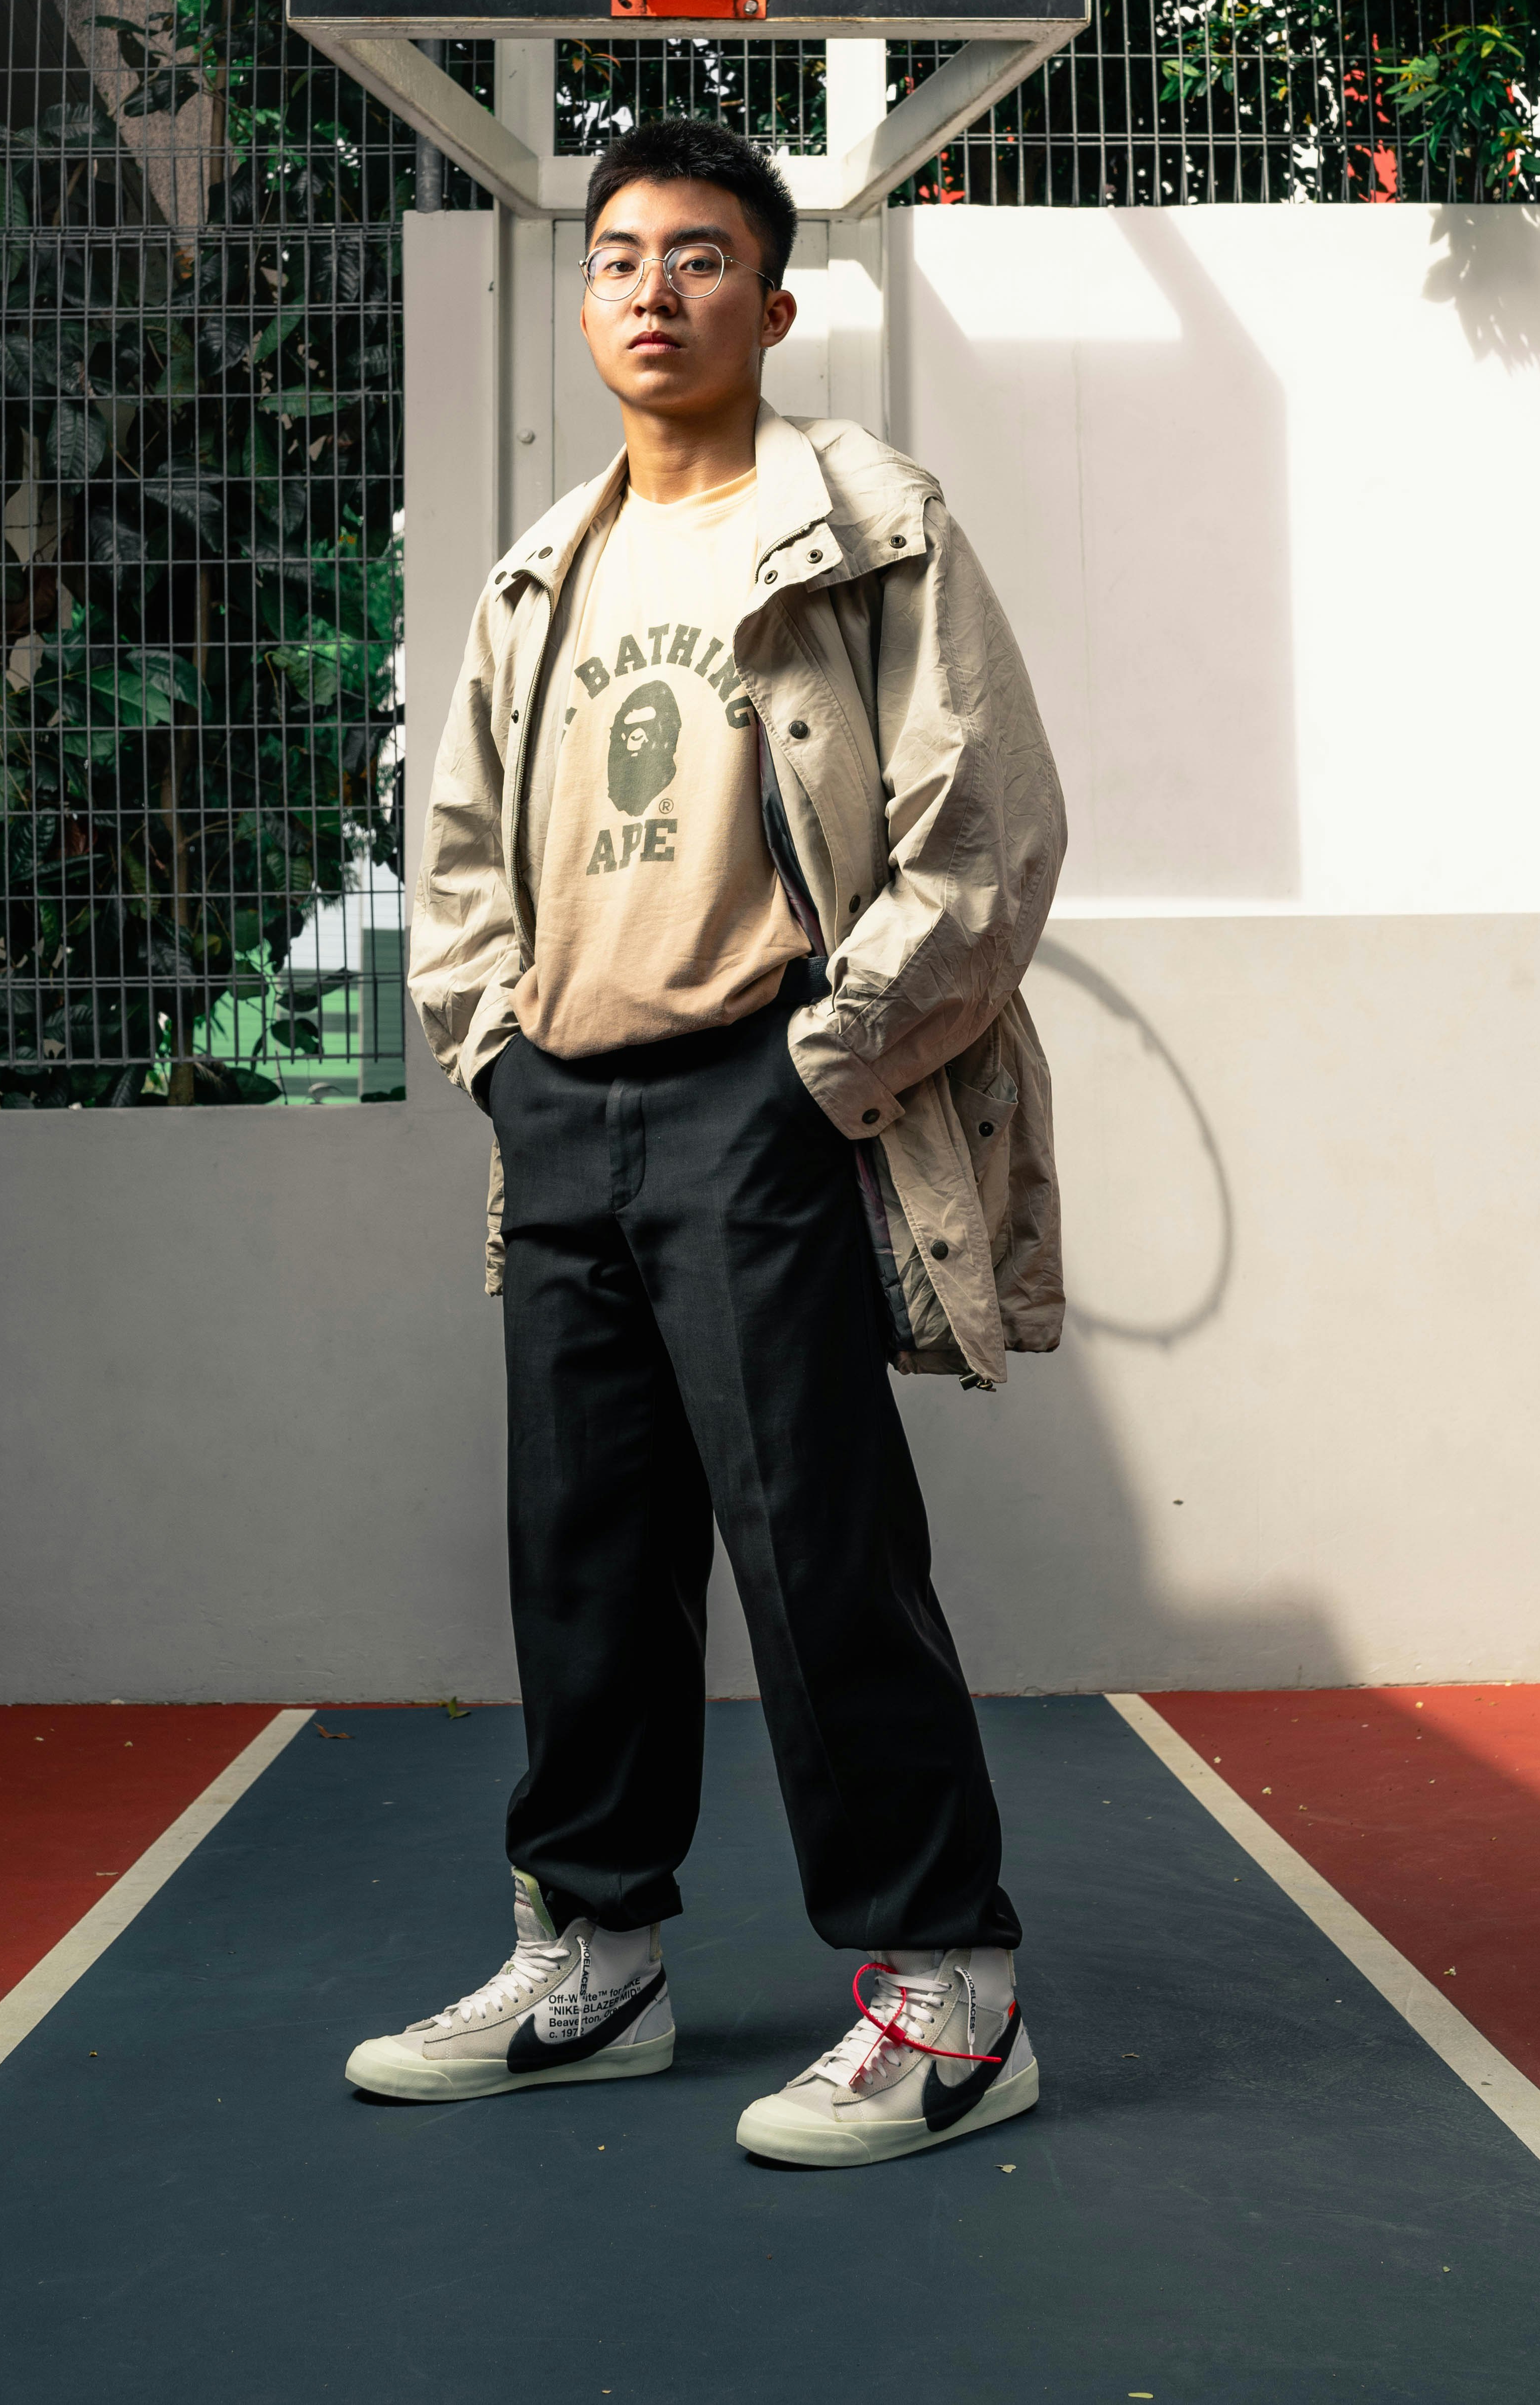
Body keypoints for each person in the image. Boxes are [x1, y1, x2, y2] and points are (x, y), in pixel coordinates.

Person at [347, 118, 1066, 2168]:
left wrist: (818, 1071)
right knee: (580, 1563)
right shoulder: (535, 568)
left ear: (774, 294)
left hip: (763, 1095)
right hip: (561, 1109)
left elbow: (988, 832)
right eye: (619, 259)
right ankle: (596, 1957)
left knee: (819, 1549)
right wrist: (496, 1050)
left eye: (698, 256)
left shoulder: (862, 519)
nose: (650, 290)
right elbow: (464, 845)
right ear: (585, 302)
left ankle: (953, 1993)